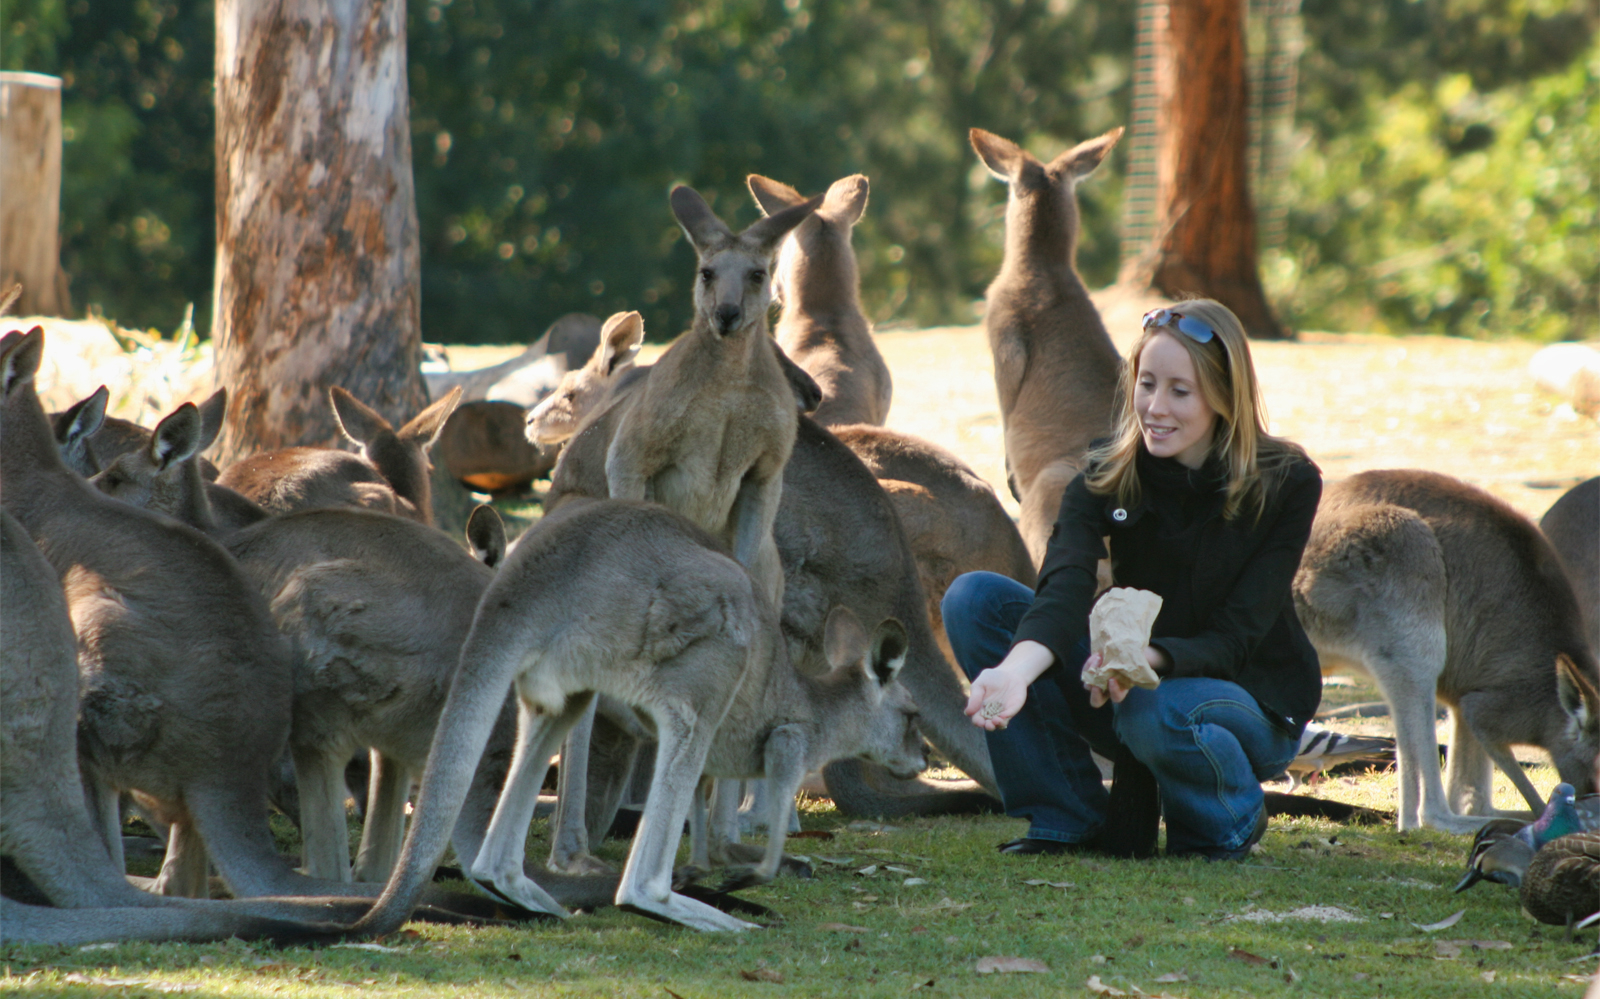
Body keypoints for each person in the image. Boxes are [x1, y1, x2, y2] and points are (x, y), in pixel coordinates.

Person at [945, 299, 1322, 860]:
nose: (1155, 407)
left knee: (1154, 708)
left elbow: (1236, 636)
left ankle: (1227, 821)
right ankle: (1068, 815)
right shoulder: (1108, 470)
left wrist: (1147, 661)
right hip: (1130, 680)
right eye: (1147, 383)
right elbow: (1065, 584)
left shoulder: (1285, 482)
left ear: (1223, 395)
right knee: (976, 598)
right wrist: (1014, 674)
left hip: (1246, 698)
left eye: (1179, 390)